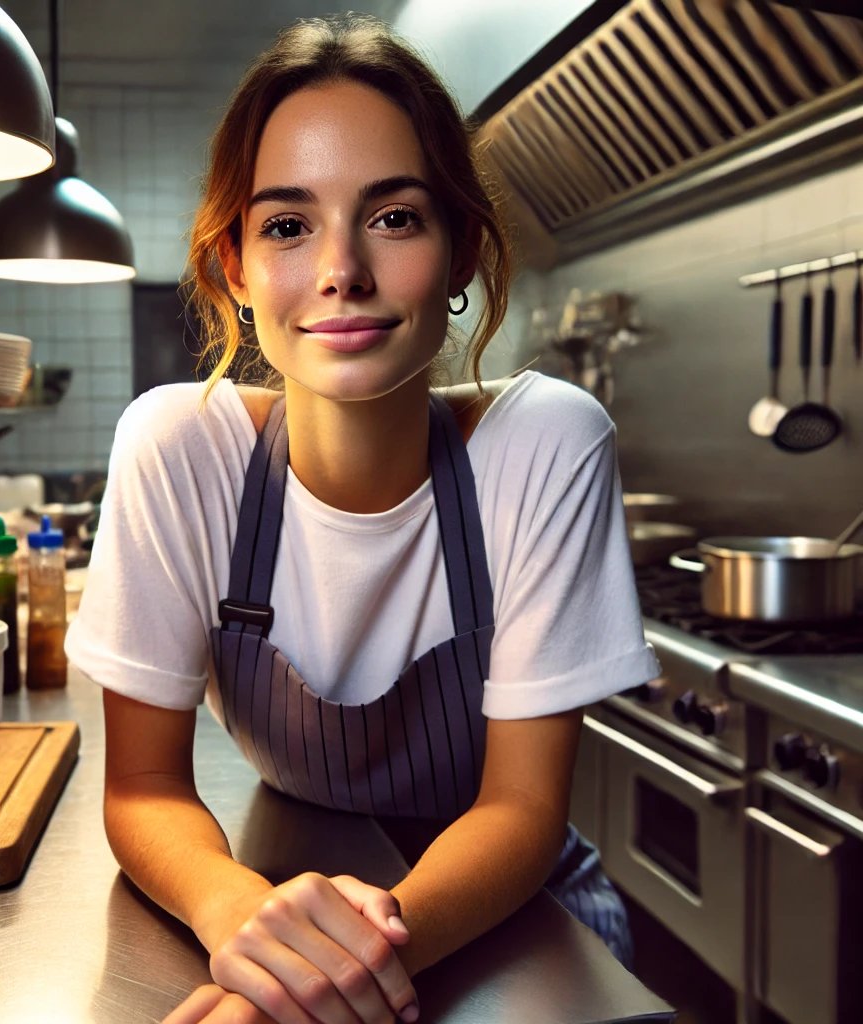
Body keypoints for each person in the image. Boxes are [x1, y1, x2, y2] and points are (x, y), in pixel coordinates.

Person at [65, 13, 661, 1024]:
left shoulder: (547, 442)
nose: (341, 268)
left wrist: (305, 984)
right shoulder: (178, 448)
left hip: (518, 921)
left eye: (393, 216)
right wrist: (245, 925)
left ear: (464, 251)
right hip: (280, 888)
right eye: (288, 225)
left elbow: (518, 812)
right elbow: (145, 791)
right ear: (234, 273)